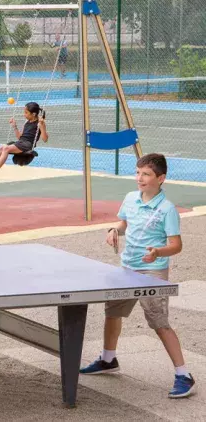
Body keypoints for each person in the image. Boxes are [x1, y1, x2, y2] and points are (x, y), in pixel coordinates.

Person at [79, 153, 195, 399]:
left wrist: (158, 252)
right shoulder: (131, 199)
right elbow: (123, 223)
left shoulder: (167, 210)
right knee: (112, 313)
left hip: (152, 270)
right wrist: (114, 230)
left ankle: (184, 375)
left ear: (161, 178)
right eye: (138, 172)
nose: (139, 178)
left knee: (159, 322)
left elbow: (176, 245)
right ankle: (108, 359)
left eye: (146, 174)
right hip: (127, 267)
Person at [0, 101, 49, 181]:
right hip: (21, 142)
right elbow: (20, 137)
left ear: (33, 114)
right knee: (1, 148)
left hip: (27, 144)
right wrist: (14, 126)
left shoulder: (40, 123)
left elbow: (45, 139)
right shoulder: (27, 122)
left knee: (6, 149)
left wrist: (42, 126)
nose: (24, 114)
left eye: (26, 113)